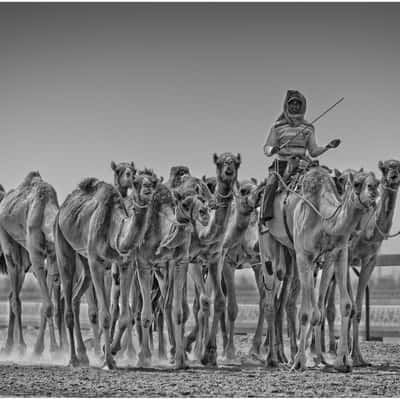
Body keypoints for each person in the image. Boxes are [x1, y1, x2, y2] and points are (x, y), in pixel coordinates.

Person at [259, 90, 340, 228]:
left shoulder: (308, 127)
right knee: (271, 184)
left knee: (326, 179)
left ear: (302, 106)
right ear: (286, 106)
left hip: (303, 165)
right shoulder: (277, 127)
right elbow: (267, 147)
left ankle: (337, 213)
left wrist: (327, 146)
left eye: (298, 104)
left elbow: (313, 151)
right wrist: (272, 149)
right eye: (292, 104)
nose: (295, 106)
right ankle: (264, 216)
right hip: (283, 165)